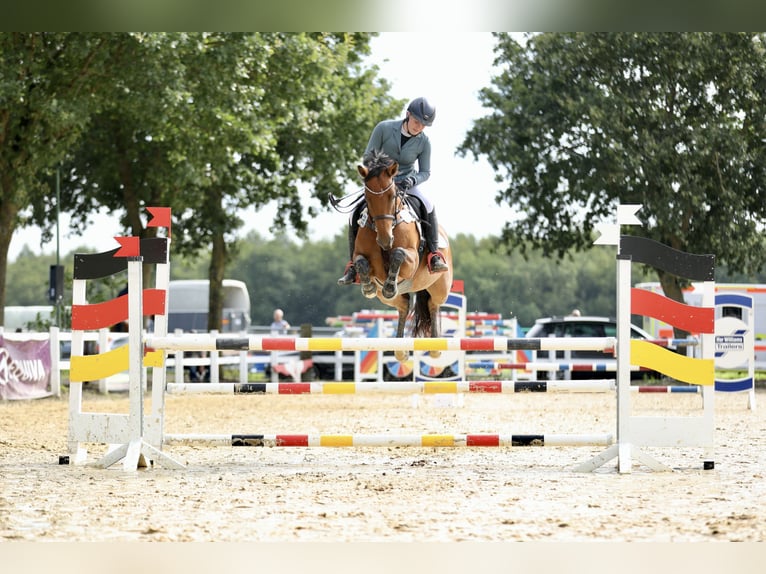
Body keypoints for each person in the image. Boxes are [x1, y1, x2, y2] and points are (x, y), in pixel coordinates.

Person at [337, 96, 449, 285]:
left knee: (428, 205)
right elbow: (368, 156)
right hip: (381, 184)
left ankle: (434, 255)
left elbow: (425, 172)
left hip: (407, 183)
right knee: (354, 213)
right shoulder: (384, 128)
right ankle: (352, 267)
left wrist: (412, 180)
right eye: (416, 121)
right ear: (407, 115)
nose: (419, 127)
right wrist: (381, 174)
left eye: (423, 125)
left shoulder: (424, 142)